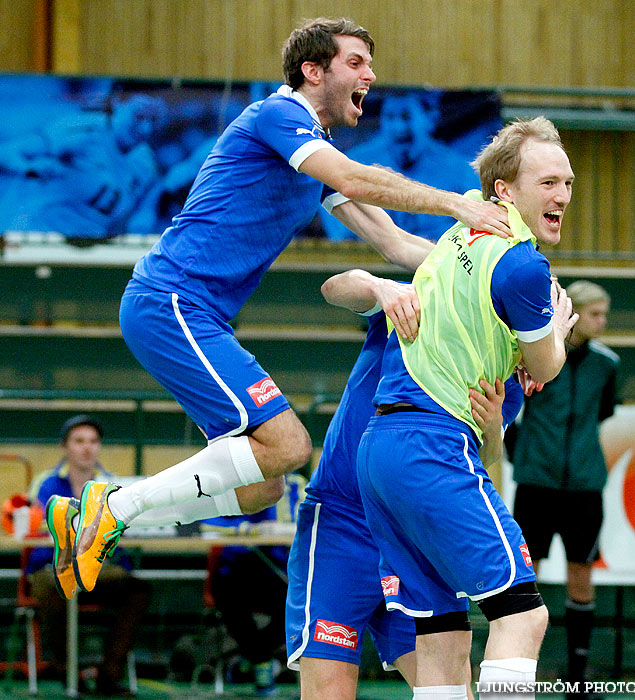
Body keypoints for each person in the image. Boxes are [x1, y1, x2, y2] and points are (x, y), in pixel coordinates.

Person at [48, 16, 513, 601]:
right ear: (312, 71)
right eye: (355, 62)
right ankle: (114, 506)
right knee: (290, 446)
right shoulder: (280, 115)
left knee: (266, 482)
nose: (370, 74)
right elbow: (354, 177)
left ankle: (107, 512)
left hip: (195, 313)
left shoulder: (315, 151)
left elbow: (398, 245)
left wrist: (490, 279)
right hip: (171, 302)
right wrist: (459, 206)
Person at [356, 116, 578, 700]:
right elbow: (548, 368)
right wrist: (555, 330)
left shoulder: (457, 241)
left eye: (568, 184)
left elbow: (398, 244)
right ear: (503, 192)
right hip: (433, 447)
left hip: (380, 452)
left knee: (441, 634)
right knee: (523, 616)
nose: (562, 196)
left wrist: (338, 194)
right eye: (549, 182)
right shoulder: (523, 267)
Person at [285, 268, 525, 700]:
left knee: (449, 685)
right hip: (344, 522)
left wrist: (492, 430)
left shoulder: (505, 377)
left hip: (410, 534)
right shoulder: (424, 303)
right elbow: (332, 286)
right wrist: (381, 287)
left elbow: (485, 460)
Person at [511, 281, 619, 699]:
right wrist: (526, 457)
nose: (602, 322)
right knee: (526, 576)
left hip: (584, 488)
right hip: (537, 484)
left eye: (604, 314)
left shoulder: (608, 364)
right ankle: (522, 672)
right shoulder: (538, 356)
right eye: (595, 314)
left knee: (581, 573)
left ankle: (577, 678)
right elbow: (513, 407)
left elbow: (605, 410)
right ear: (574, 314)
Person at [26, 415, 151, 696]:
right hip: (52, 568)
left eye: (93, 442)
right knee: (53, 588)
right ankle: (67, 672)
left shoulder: (114, 485)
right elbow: (32, 530)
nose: (87, 448)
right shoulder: (44, 484)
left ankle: (109, 674)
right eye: (79, 441)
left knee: (138, 591)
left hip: (100, 571)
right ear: (64, 447)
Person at [0, 94, 163, 238]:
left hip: (86, 253)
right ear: (118, 105)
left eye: (153, 121)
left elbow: (136, 217)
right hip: (38, 235)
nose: (145, 128)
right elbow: (7, 152)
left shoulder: (146, 165)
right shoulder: (84, 129)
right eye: (139, 116)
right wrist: (29, 168)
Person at [320, 93, 479, 241]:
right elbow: (340, 236)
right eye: (390, 117)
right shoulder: (354, 163)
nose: (399, 127)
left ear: (430, 118)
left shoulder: (462, 171)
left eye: (406, 116)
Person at [208, 473, 304, 697]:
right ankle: (259, 660)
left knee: (298, 606)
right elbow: (208, 523)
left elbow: (309, 522)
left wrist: (280, 529)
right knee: (227, 593)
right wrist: (248, 529)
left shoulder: (296, 484)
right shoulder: (238, 480)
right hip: (236, 568)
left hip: (277, 570)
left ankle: (253, 657)